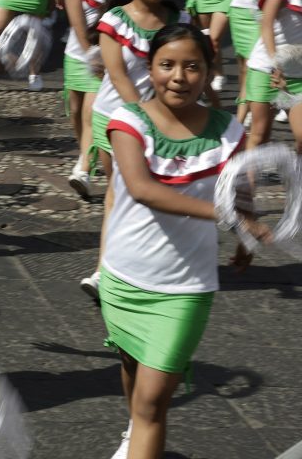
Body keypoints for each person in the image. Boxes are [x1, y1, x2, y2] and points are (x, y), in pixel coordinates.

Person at [98, 23, 258, 459]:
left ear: (208, 72)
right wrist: (224, 216)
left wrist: (245, 233)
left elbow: (240, 194)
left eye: (192, 66)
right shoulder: (127, 121)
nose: (179, 76)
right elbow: (141, 188)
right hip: (123, 276)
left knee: (153, 402)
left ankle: (140, 430)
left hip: (185, 288)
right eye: (167, 64)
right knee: (131, 366)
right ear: (150, 69)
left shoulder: (229, 132)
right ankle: (134, 433)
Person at [79, 0, 191, 299]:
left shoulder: (179, 21)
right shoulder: (113, 21)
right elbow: (119, 77)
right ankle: (103, 270)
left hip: (167, 121)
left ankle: (149, 259)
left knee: (158, 192)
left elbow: (192, 68)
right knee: (119, 193)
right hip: (118, 118)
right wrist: (147, 120)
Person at [63, 0, 122, 197]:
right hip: (77, 56)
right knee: (75, 113)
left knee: (90, 113)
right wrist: (89, 53)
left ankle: (84, 169)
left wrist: (102, 59)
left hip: (105, 61)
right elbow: (77, 25)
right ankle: (84, 155)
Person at [245, 0, 302, 152]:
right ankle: (245, 187)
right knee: (260, 135)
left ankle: (295, 184)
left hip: (297, 74)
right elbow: (266, 24)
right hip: (267, 72)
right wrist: (275, 63)